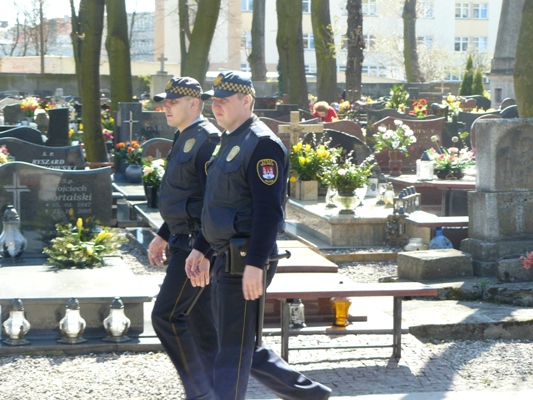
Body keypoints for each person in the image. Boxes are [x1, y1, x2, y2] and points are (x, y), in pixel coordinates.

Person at [186, 71, 331, 400]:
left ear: (246, 100)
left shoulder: (261, 144)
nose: (216, 106)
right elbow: (222, 205)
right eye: (214, 100)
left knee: (232, 351)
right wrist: (201, 249)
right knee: (242, 345)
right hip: (225, 254)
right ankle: (311, 395)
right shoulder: (230, 139)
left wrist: (255, 264)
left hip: (244, 258)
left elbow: (269, 213)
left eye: (224, 100)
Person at [149, 77, 220, 400]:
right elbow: (184, 195)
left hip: (196, 246)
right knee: (199, 321)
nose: (165, 106)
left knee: (166, 315)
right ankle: (218, 388)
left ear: (193, 103)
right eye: (165, 101)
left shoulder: (207, 139)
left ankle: (200, 391)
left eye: (173, 102)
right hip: (181, 239)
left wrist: (203, 250)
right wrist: (162, 235)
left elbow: (213, 201)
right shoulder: (184, 136)